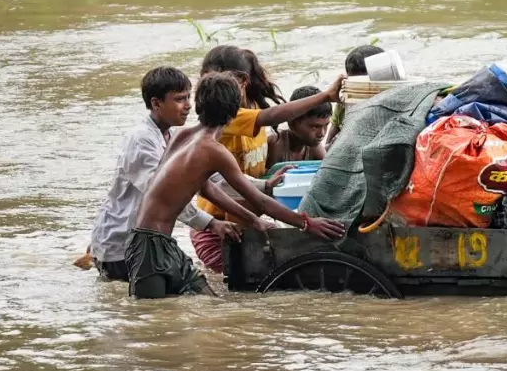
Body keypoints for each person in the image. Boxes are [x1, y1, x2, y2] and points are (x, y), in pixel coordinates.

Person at [127, 73, 346, 299]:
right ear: (235, 112)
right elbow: (259, 200)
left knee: (212, 306)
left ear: (199, 105)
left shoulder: (183, 136)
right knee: (149, 322)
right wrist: (306, 223)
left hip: (160, 242)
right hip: (148, 245)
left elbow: (206, 188)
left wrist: (253, 220)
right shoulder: (214, 151)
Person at [188, 46, 345, 272]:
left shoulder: (251, 105)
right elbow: (271, 116)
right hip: (219, 224)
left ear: (243, 82)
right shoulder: (226, 115)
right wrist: (324, 96)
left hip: (246, 214)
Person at [88, 67, 243, 281]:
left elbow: (213, 179)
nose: (188, 106)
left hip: (143, 244)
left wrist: (266, 186)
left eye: (189, 97)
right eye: (180, 99)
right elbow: (167, 195)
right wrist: (211, 224)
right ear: (156, 103)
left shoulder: (174, 136)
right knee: (146, 309)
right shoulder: (141, 140)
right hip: (120, 246)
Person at [325, 45, 387, 148]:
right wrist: (330, 145)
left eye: (367, 85)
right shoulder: (345, 101)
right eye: (356, 84)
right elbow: (329, 142)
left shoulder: (391, 101)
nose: (362, 91)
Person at [266, 86, 330, 168]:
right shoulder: (275, 144)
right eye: (315, 127)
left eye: (326, 125)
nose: (322, 133)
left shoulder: (314, 147)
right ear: (292, 123)